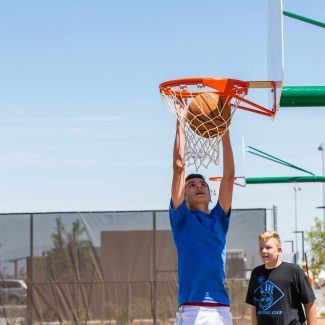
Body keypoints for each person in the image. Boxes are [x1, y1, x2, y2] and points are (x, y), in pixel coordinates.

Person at [169, 112, 235, 325]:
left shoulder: (219, 219)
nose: (198, 186)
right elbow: (179, 167)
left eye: (202, 184)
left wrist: (224, 128)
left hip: (221, 309)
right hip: (191, 309)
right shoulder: (182, 221)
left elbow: (229, 176)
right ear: (184, 196)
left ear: (209, 193)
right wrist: (180, 120)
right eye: (192, 185)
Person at [246, 231, 317, 325]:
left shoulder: (293, 271)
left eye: (268, 247)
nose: (264, 251)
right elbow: (254, 307)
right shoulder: (256, 273)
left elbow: (309, 303)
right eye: (261, 248)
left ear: (279, 250)